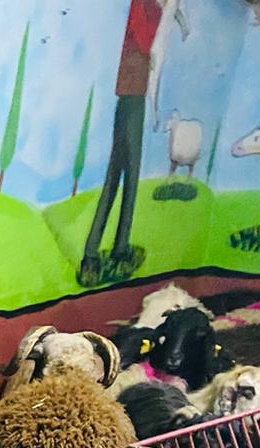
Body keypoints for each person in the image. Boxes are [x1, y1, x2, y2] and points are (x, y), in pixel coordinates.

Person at [80, 0, 190, 284]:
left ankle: (105, 251)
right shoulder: (145, 6)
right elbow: (145, 42)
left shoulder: (153, 8)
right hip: (132, 96)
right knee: (126, 177)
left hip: (133, 95)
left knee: (120, 177)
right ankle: (106, 253)